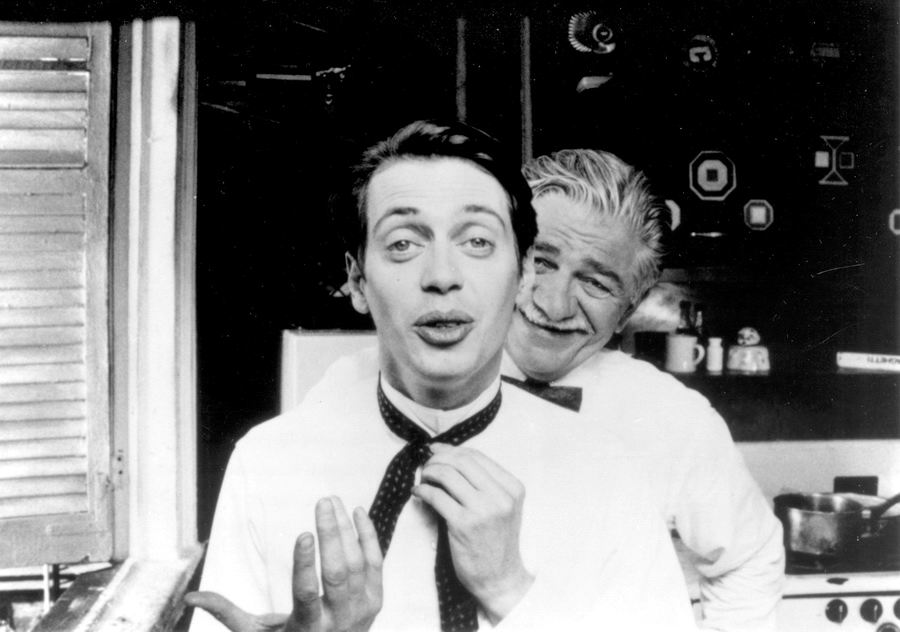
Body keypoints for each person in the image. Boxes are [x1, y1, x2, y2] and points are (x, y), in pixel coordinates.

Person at [186, 121, 698, 632]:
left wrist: (512, 593)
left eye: (477, 241)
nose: (441, 276)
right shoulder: (268, 463)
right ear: (358, 280)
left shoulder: (609, 475)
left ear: (522, 274)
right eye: (403, 244)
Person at [504, 148, 785, 631]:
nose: (553, 303)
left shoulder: (671, 416)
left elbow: (749, 558)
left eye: (596, 283)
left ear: (627, 311)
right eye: (540, 261)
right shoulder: (411, 381)